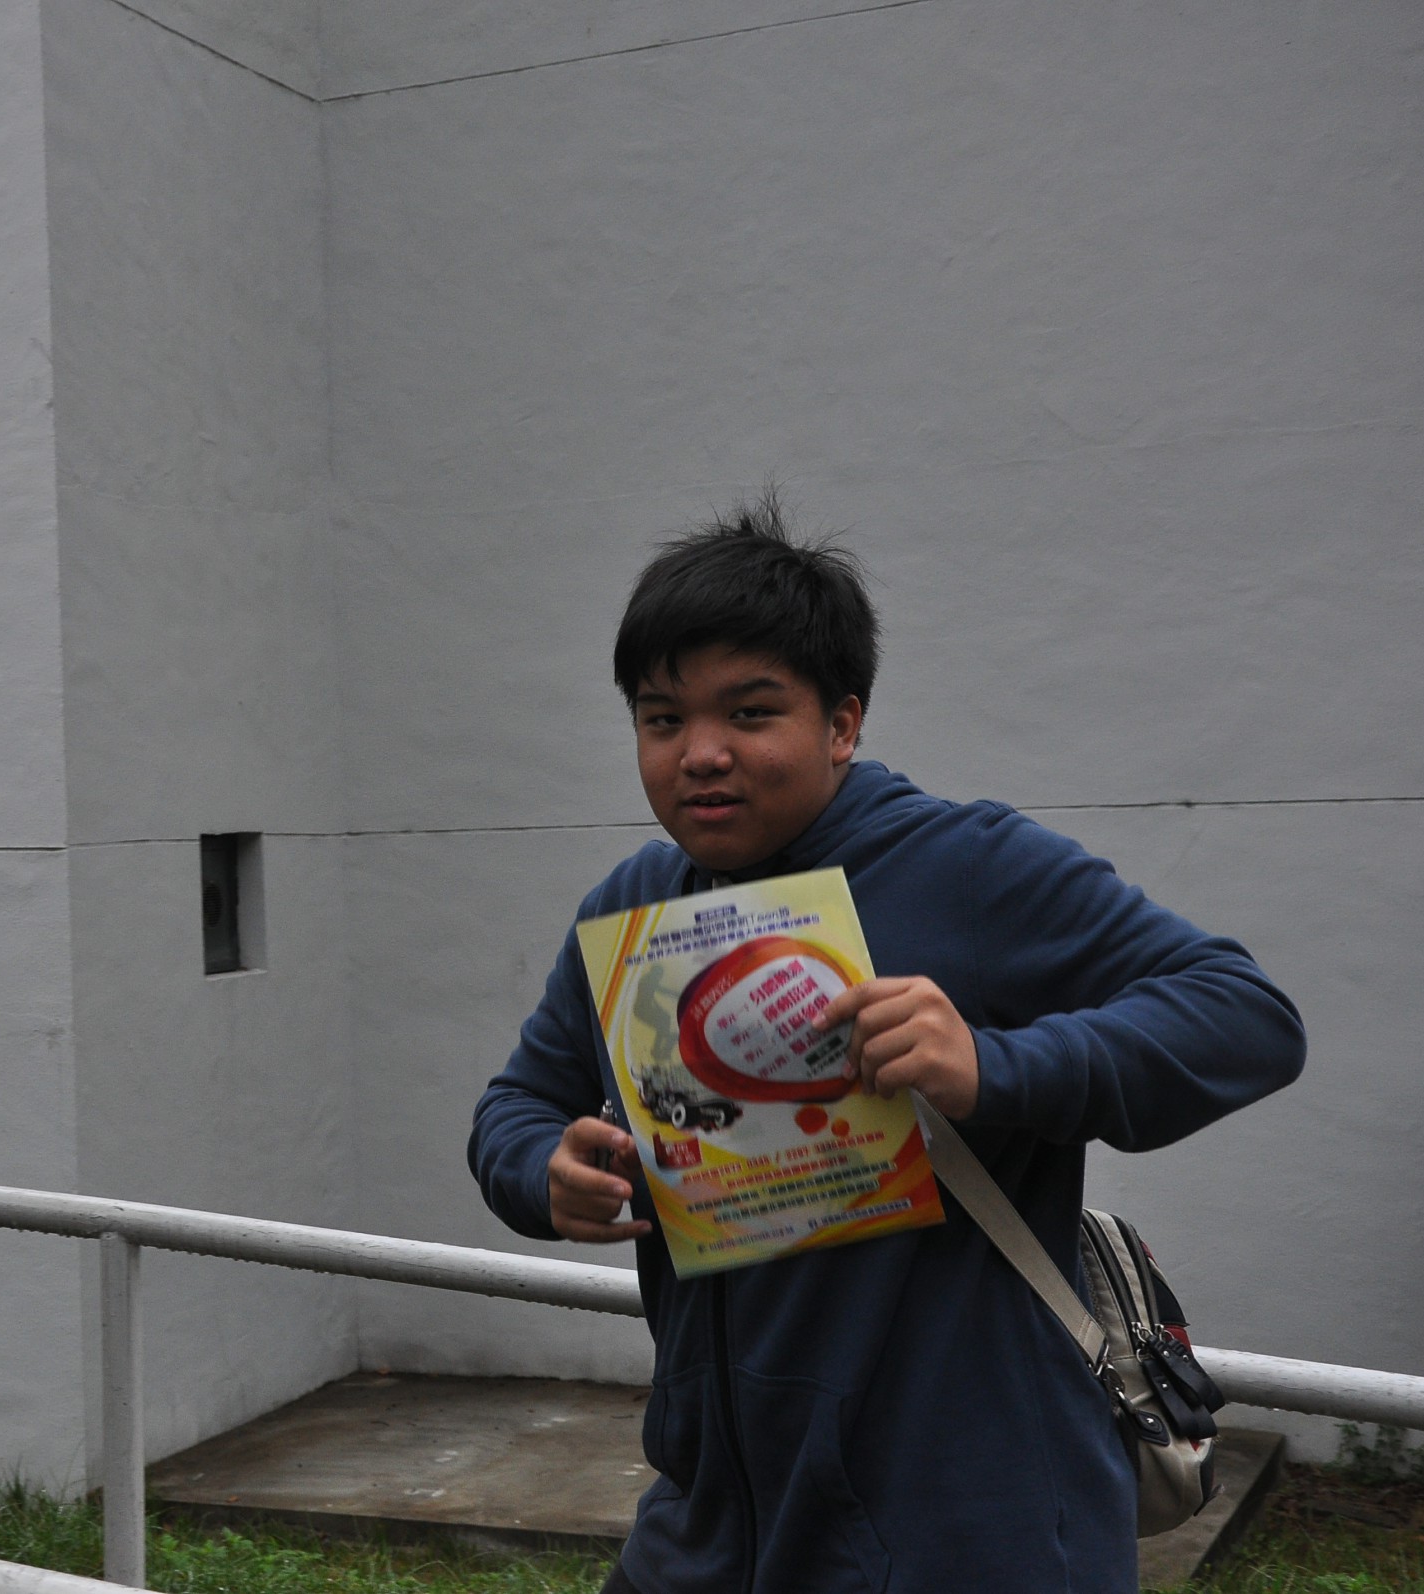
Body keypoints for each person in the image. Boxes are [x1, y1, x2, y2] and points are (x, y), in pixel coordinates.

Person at [466, 501, 1305, 1594]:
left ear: (842, 723)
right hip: (711, 1525)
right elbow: (518, 1106)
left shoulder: (971, 867)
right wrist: (543, 1171)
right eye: (662, 719)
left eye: (751, 712)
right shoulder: (632, 912)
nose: (702, 754)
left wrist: (994, 1068)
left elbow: (1245, 1016)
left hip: (970, 1533)